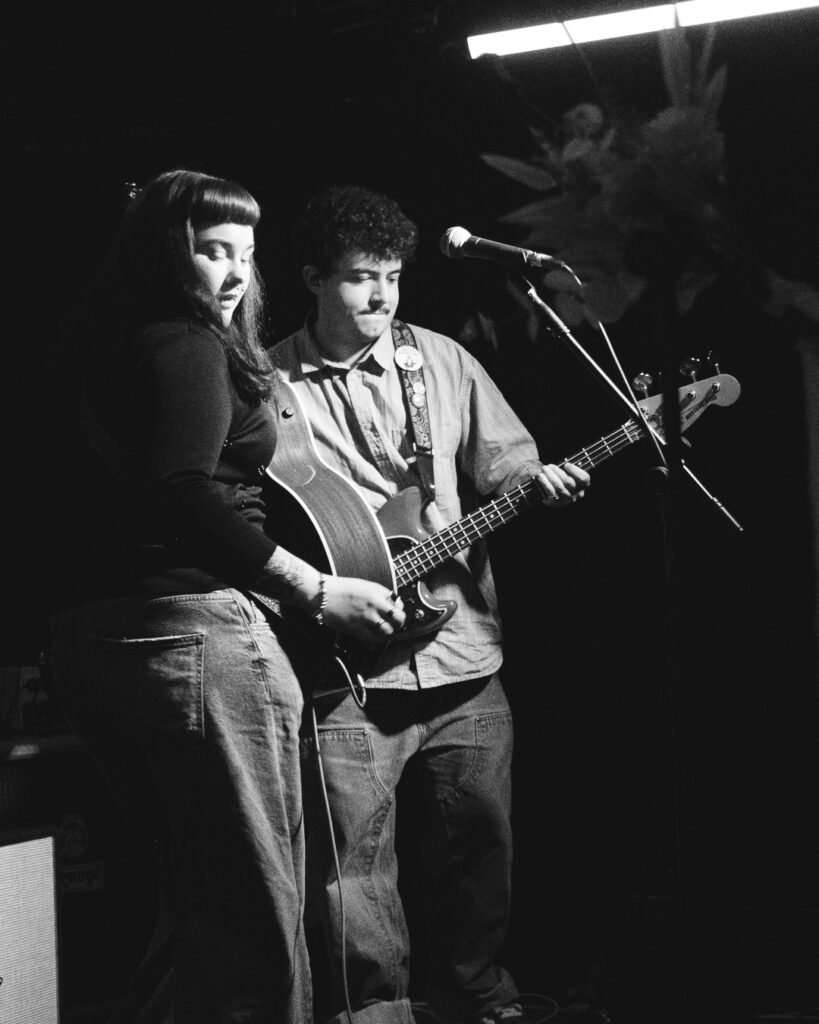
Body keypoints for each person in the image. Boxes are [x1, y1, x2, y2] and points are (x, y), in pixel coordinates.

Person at [46, 169, 405, 1024]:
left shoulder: (97, 341)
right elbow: (179, 490)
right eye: (211, 250)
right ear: (164, 255)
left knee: (191, 915)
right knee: (252, 921)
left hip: (94, 637)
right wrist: (314, 589)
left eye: (245, 252)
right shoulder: (183, 341)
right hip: (194, 633)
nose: (236, 272)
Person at [271, 184, 590, 1024]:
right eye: (357, 278)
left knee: (480, 848)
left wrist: (537, 483)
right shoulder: (268, 383)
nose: (379, 296)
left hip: (463, 654)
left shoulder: (440, 361)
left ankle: (481, 998)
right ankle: (376, 1014)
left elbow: (507, 465)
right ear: (311, 278)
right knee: (352, 869)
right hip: (346, 666)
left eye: (392, 277)